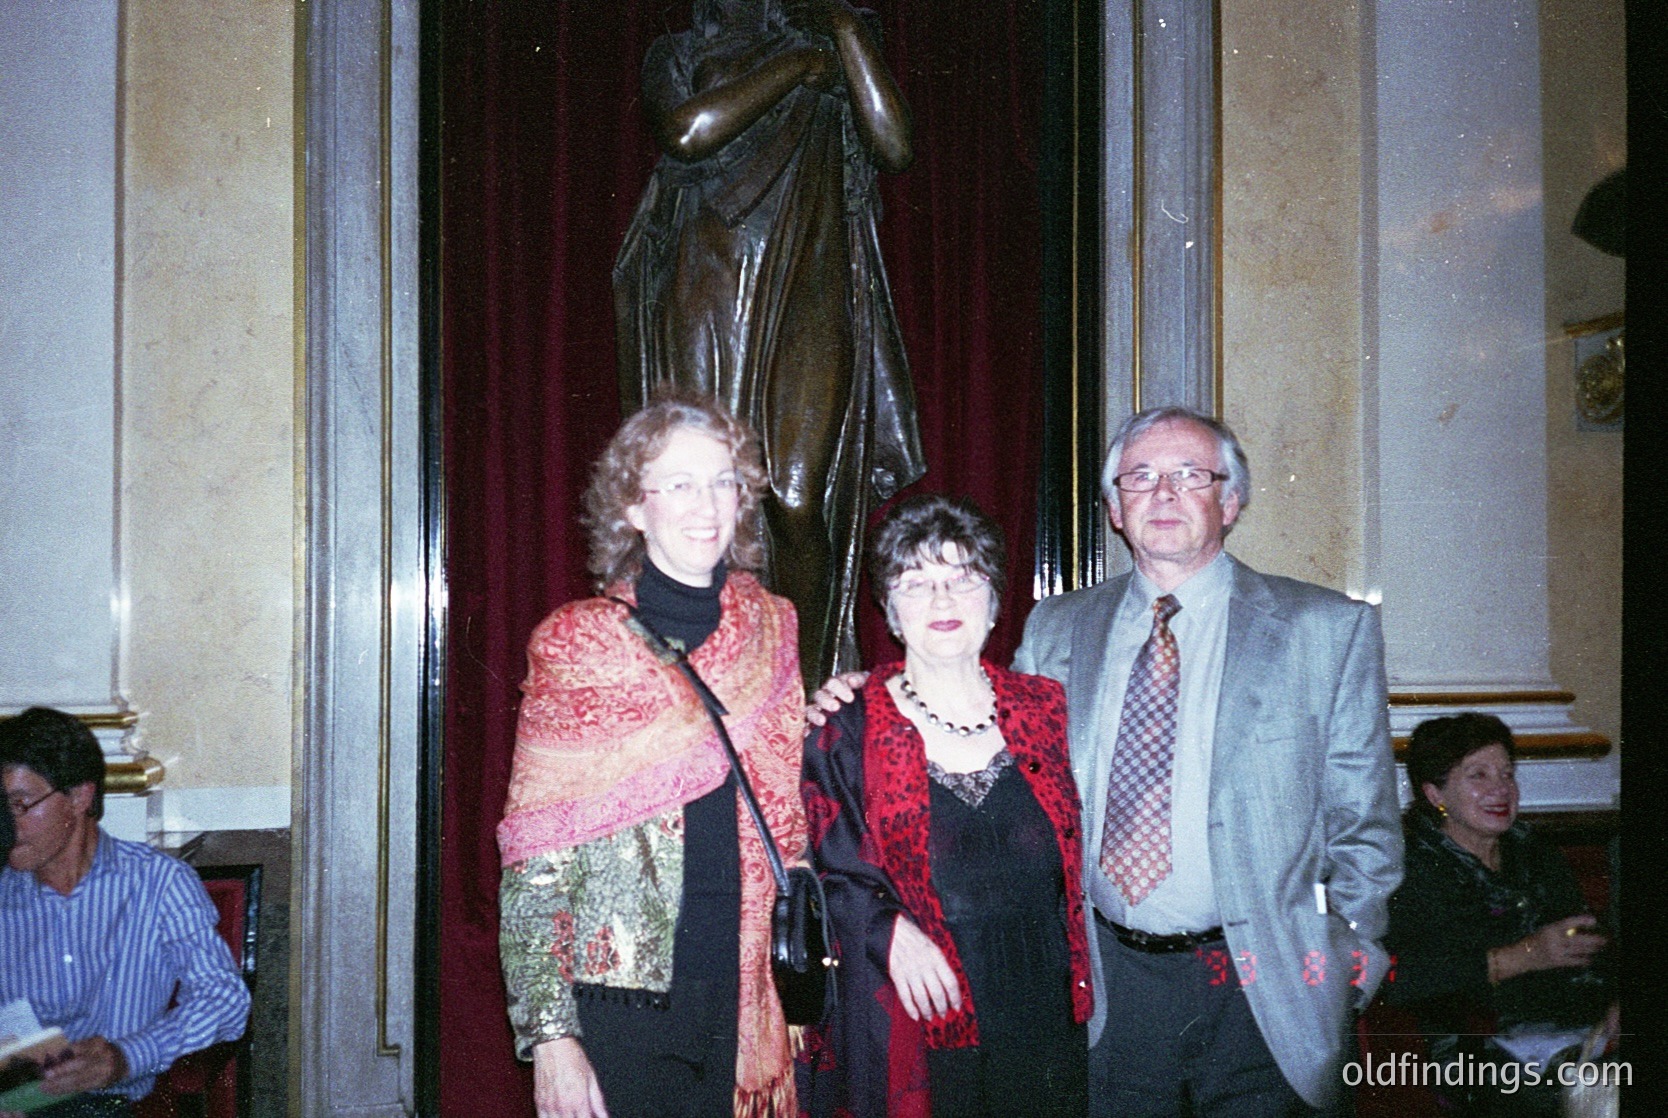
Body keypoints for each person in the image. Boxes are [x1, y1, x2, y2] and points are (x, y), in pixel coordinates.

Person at [1012, 406, 1402, 1116]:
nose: (1163, 494)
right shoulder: (1055, 629)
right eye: (1141, 477)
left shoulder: (1325, 629)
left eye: (1190, 475)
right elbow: (998, 776)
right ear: (1114, 509)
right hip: (1106, 984)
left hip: (1263, 986)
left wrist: (1348, 965)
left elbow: (1365, 824)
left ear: (1231, 501)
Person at [496, 394, 809, 1118]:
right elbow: (532, 863)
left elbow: (787, 806)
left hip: (746, 983)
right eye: (679, 484)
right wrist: (549, 1037)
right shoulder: (576, 644)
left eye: (723, 481)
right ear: (635, 508)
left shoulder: (775, 627)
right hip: (619, 999)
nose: (706, 506)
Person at [614, 0, 926, 689]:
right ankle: (716, 678)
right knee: (714, 499)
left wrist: (842, 30)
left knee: (794, 497)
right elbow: (688, 131)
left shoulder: (841, 38)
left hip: (812, 279)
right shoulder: (681, 49)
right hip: (709, 280)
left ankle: (806, 691)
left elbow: (895, 146)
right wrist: (796, 67)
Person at [798, 495, 1091, 1118]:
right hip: (920, 1012)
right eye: (916, 583)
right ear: (890, 612)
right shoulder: (846, 726)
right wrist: (888, 931)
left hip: (1046, 1012)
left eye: (963, 579)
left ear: (993, 603)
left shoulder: (1049, 709)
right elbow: (829, 868)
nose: (942, 600)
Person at [0, 707, 251, 1118]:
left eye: (20, 805)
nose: (7, 825)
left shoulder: (156, 883)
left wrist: (125, 1057)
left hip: (115, 1104)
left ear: (79, 797)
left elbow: (224, 1001)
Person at [1383, 713, 1614, 1116]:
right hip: (1478, 1050)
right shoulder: (1408, 869)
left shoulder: (1531, 850)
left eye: (1508, 774)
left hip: (1581, 1034)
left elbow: (1594, 938)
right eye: (1479, 775)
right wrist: (1524, 956)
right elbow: (1398, 979)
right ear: (1436, 794)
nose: (1501, 789)